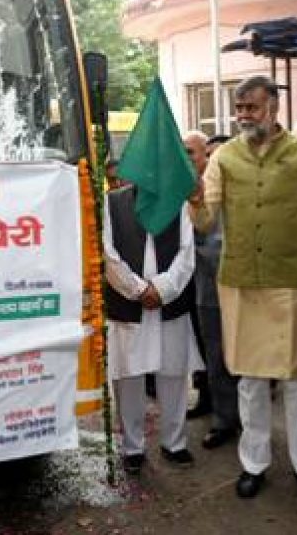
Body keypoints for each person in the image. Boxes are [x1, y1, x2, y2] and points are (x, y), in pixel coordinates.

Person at [190, 75, 297, 502]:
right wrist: (194, 198)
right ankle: (253, 464)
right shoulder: (224, 156)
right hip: (241, 284)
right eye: (239, 108)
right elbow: (206, 220)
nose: (243, 115)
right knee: (250, 379)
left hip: (293, 283)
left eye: (251, 107)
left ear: (273, 107)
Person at [102, 184, 202, 475]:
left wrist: (162, 289)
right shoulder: (112, 203)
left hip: (169, 300)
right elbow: (107, 254)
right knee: (129, 377)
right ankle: (133, 447)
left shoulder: (177, 200)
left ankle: (175, 442)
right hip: (128, 302)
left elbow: (186, 254)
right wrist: (137, 289)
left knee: (173, 373)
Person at [182, 130, 239, 449]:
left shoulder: (221, 188)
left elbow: (219, 242)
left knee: (220, 354)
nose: (186, 158)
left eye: (191, 152)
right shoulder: (180, 187)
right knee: (201, 352)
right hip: (185, 289)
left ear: (207, 155)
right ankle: (208, 401)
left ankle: (226, 418)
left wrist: (186, 252)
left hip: (215, 284)